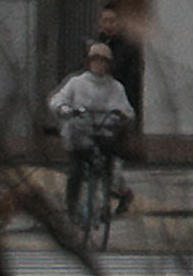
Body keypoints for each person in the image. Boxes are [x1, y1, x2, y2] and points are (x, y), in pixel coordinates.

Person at [51, 43, 136, 219]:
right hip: (79, 134)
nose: (99, 65)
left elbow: (128, 111)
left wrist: (122, 115)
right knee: (75, 171)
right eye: (96, 61)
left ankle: (104, 203)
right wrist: (64, 109)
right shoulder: (76, 83)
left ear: (109, 65)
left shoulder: (115, 87)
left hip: (104, 134)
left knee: (107, 169)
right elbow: (58, 100)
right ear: (89, 63)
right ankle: (72, 207)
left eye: (104, 62)